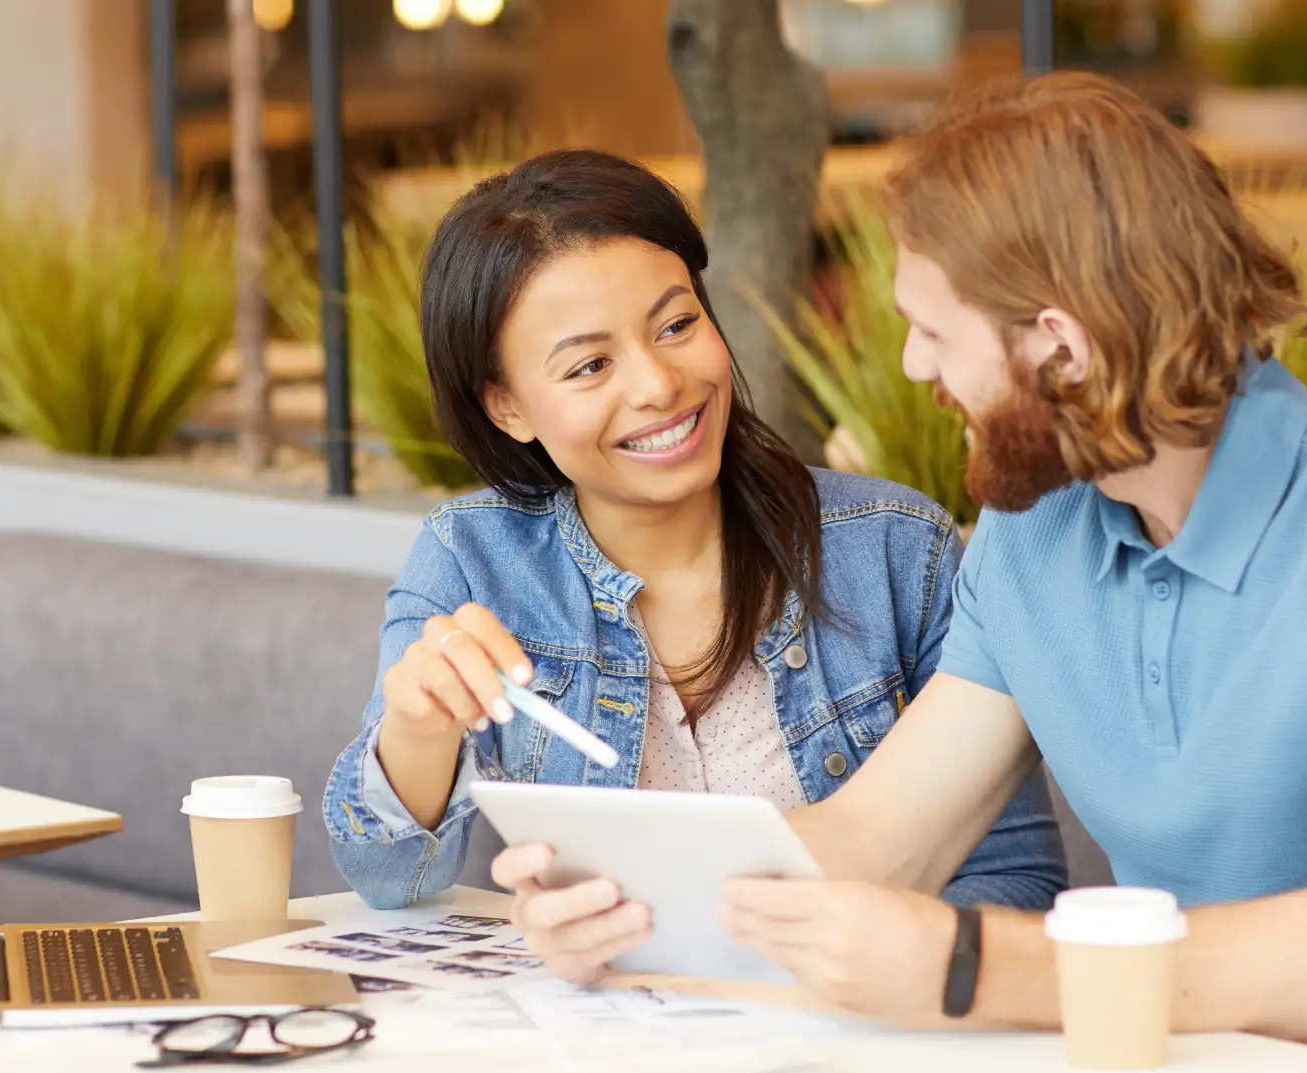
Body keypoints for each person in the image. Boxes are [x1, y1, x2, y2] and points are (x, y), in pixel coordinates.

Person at [497, 77, 1307, 1073]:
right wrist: (631, 901)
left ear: (1062, 349)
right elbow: (884, 839)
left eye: (933, 332)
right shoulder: (1036, 535)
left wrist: (975, 964)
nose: (910, 368)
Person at [324, 149, 1067, 918]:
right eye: (589, 367)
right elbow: (387, 878)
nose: (658, 385)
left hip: (852, 1014)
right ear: (506, 406)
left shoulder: (894, 549)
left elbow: (1015, 883)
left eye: (677, 324)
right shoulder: (473, 562)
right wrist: (417, 730)